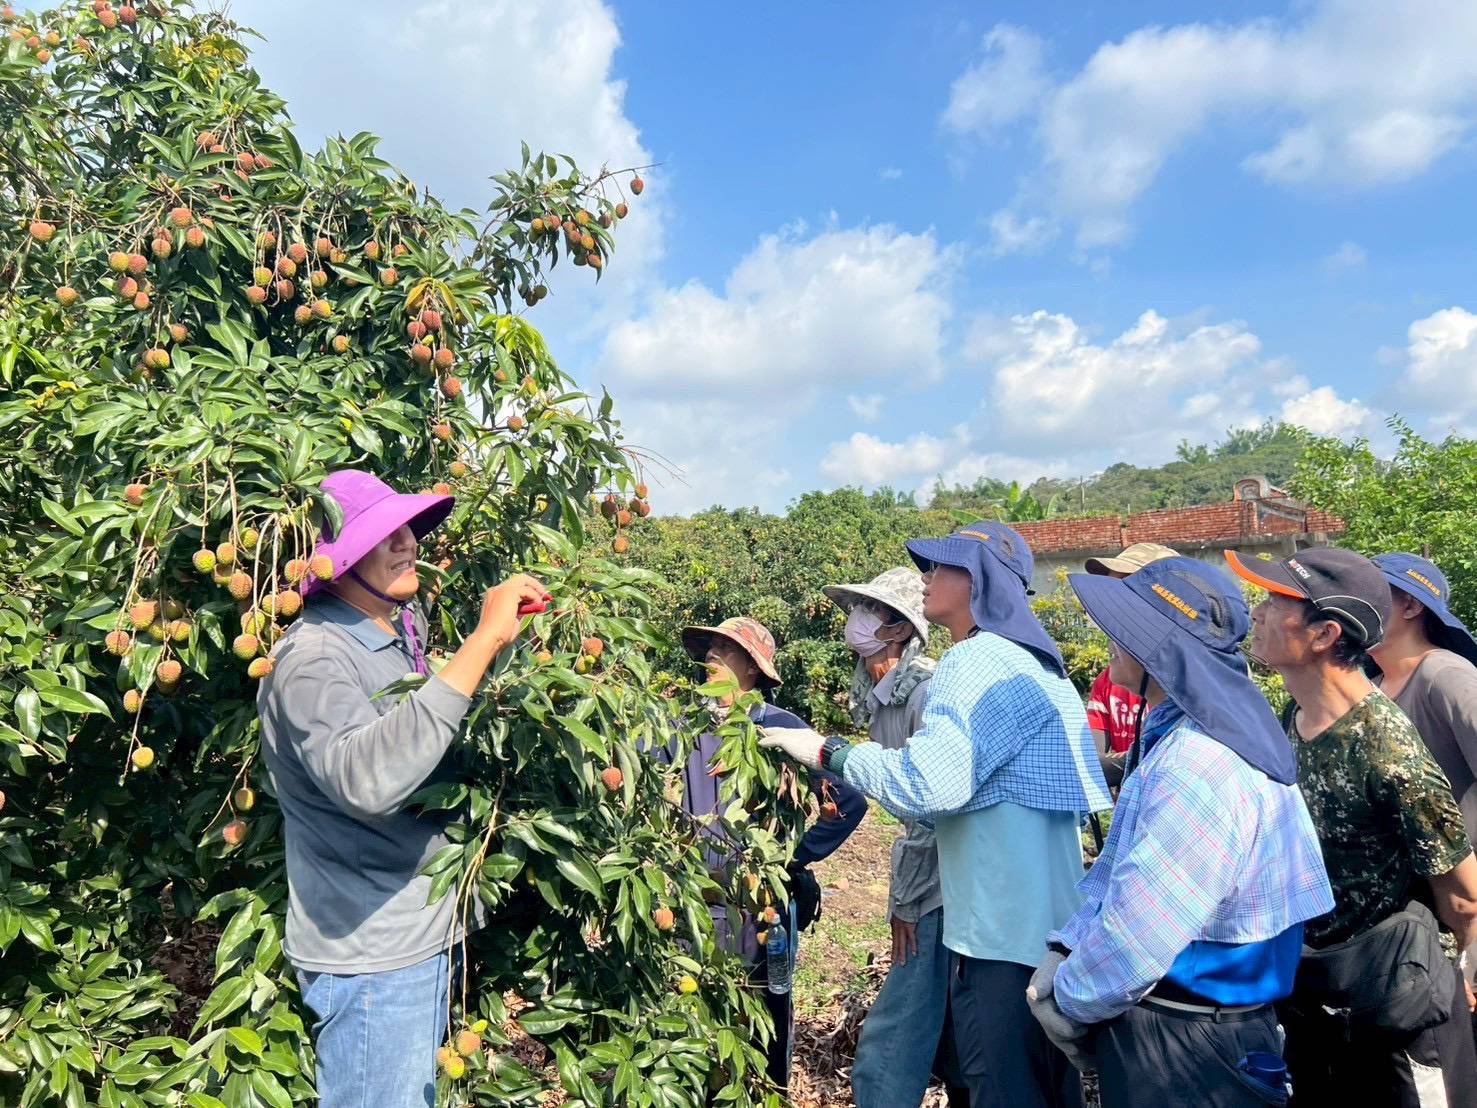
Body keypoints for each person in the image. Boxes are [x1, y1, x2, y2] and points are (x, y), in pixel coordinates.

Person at [761, 521, 1110, 1108]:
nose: (926, 577)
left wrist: (828, 752)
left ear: (979, 580)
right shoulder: (1031, 662)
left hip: (1000, 935)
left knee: (1005, 1087)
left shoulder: (975, 661)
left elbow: (927, 787)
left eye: (941, 566)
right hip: (1037, 930)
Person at [256, 470, 548, 1107]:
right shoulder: (313, 658)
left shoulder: (390, 635)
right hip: (373, 957)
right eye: (383, 534)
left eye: (407, 529)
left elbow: (421, 736)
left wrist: (495, 650)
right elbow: (369, 780)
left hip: (412, 937)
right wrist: (483, 638)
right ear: (338, 560)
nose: (408, 542)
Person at [1026, 557, 1334, 1107]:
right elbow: (1121, 874)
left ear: (1164, 652)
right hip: (1194, 1028)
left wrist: (1068, 1000)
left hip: (1186, 1041)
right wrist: (1067, 947)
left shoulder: (1197, 762)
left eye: (1128, 627)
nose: (1110, 638)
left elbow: (1138, 937)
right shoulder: (1185, 729)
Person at [1226, 547, 1477, 1106]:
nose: (1257, 613)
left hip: (1397, 1008)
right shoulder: (1294, 719)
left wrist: (1462, 969)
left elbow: (1464, 895)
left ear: (1324, 635)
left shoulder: (1387, 747)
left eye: (1276, 603)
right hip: (1316, 995)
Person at [673, 616, 865, 1092]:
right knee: (687, 1020)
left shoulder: (778, 726)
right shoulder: (683, 724)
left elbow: (848, 798)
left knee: (760, 1020)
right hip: (693, 902)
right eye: (711, 646)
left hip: (758, 909)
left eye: (728, 649)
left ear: (753, 669)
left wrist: (790, 858)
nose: (713, 655)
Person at [821, 567, 964, 1107]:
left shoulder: (924, 693)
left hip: (942, 879)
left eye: (871, 610)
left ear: (900, 630)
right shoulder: (885, 695)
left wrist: (907, 898)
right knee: (950, 1018)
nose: (856, 620)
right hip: (942, 875)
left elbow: (930, 809)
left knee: (895, 1032)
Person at [1371, 552, 1477, 1043]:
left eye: (1375, 592)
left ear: (1411, 606)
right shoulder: (1371, 687)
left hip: (1460, 906)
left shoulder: (1445, 676)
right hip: (1410, 917)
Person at [1081, 542, 1178, 786]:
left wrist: (1127, 761)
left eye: (1127, 592)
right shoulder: (1110, 679)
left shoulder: (1195, 682)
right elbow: (1090, 764)